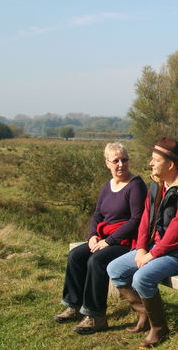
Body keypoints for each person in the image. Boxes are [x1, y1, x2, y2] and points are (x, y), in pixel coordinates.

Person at [107, 136, 178, 349]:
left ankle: (159, 327)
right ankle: (144, 314)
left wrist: (150, 255)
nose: (150, 163)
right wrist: (141, 247)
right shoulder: (157, 184)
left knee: (142, 278)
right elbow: (146, 219)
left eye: (155, 159)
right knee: (115, 269)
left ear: (171, 164)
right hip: (158, 248)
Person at [53, 142, 147, 334]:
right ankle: (75, 306)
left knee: (96, 261)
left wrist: (109, 241)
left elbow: (137, 220)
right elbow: (97, 215)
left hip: (126, 242)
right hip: (104, 238)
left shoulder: (136, 185)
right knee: (76, 256)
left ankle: (96, 316)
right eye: (116, 160)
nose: (121, 164)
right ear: (107, 163)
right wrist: (93, 236)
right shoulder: (107, 186)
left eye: (125, 159)